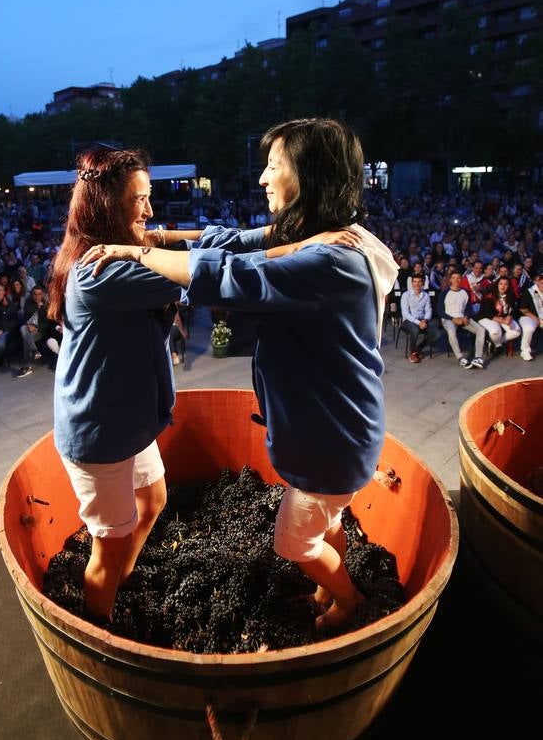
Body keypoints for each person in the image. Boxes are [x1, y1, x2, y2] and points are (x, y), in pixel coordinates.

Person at [82, 118, 398, 631]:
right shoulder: (319, 234)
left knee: (293, 541)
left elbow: (232, 276)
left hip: (331, 440)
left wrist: (137, 251)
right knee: (329, 519)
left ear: (309, 176)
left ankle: (349, 602)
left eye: (274, 166)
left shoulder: (331, 259)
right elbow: (231, 242)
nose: (263, 178)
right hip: (337, 433)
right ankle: (326, 584)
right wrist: (160, 235)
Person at [47, 147, 203, 622]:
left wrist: (155, 238)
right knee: (107, 547)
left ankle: (122, 576)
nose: (150, 212)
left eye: (149, 197)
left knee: (153, 500)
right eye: (139, 200)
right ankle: (103, 631)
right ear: (107, 207)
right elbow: (207, 271)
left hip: (126, 420)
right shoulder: (104, 271)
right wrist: (286, 247)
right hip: (100, 434)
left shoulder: (121, 256)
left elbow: (180, 250)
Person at [437, 270, 487, 370]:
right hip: (448, 318)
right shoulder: (444, 293)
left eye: (458, 278)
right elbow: (440, 311)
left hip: (463, 318)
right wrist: (452, 319)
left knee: (481, 330)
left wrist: (466, 317)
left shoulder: (465, 292)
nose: (456, 280)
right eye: (454, 278)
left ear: (461, 279)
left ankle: (478, 357)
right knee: (452, 333)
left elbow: (469, 309)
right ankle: (460, 358)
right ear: (450, 280)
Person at [400, 274, 441, 363]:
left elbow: (428, 310)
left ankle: (419, 348)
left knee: (437, 333)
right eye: (415, 282)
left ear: (422, 283)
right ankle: (412, 353)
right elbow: (406, 313)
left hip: (423, 320)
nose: (417, 284)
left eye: (419, 282)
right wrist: (419, 323)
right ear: (412, 283)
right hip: (409, 321)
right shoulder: (406, 295)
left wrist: (425, 320)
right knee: (415, 330)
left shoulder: (425, 295)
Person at [478, 276, 521, 353]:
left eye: (506, 284)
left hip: (503, 317)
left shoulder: (511, 295)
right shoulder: (490, 296)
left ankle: (495, 342)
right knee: (495, 332)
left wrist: (509, 317)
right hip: (488, 317)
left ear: (508, 286)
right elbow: (488, 313)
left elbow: (514, 309)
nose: (503, 286)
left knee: (516, 332)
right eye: (501, 284)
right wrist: (503, 322)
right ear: (497, 284)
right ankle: (498, 345)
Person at [518, 271, 543, 362]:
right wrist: (535, 318)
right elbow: (523, 309)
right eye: (541, 283)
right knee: (529, 328)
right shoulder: (529, 292)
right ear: (538, 282)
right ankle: (525, 351)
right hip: (528, 316)